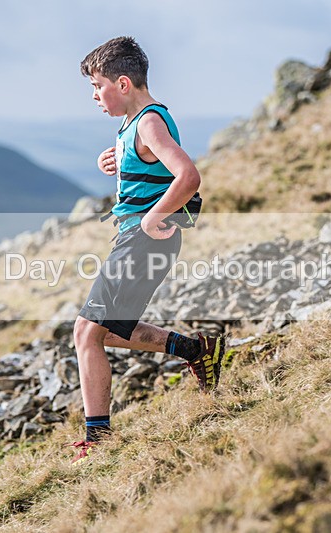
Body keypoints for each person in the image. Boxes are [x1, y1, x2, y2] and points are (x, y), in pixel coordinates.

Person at [68, 36, 226, 464]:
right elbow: (150, 168)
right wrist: (115, 162)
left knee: (85, 333)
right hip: (137, 238)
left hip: (144, 239)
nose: (94, 96)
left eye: (97, 87)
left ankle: (98, 439)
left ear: (122, 83)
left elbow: (188, 176)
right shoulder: (135, 124)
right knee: (107, 332)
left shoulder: (148, 122)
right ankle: (196, 351)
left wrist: (150, 219)